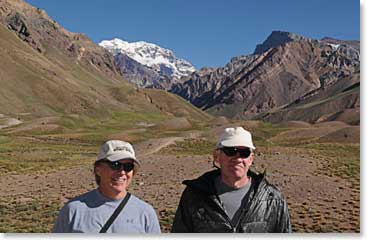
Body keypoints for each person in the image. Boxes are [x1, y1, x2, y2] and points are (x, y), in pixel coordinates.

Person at [171, 127, 291, 233]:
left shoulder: (272, 198)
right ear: (217, 156)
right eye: (230, 151)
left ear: (251, 159)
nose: (237, 158)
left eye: (244, 152)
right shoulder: (194, 195)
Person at [53, 140, 161, 233]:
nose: (122, 172)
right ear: (98, 170)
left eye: (128, 166)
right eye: (115, 165)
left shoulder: (145, 212)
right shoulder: (73, 210)